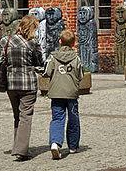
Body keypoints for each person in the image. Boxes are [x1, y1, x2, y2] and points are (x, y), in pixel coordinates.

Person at [0, 14, 44, 161]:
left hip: (11, 83)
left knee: (17, 115)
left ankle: (17, 146)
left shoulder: (6, 40)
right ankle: (21, 151)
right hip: (28, 83)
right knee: (26, 116)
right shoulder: (32, 43)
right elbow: (39, 62)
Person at [44, 28, 84, 160]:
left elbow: (47, 72)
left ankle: (55, 143)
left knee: (57, 118)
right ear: (73, 43)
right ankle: (73, 146)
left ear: (60, 41)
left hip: (56, 93)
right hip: (71, 93)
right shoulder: (76, 58)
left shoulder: (53, 57)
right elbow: (80, 75)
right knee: (73, 119)